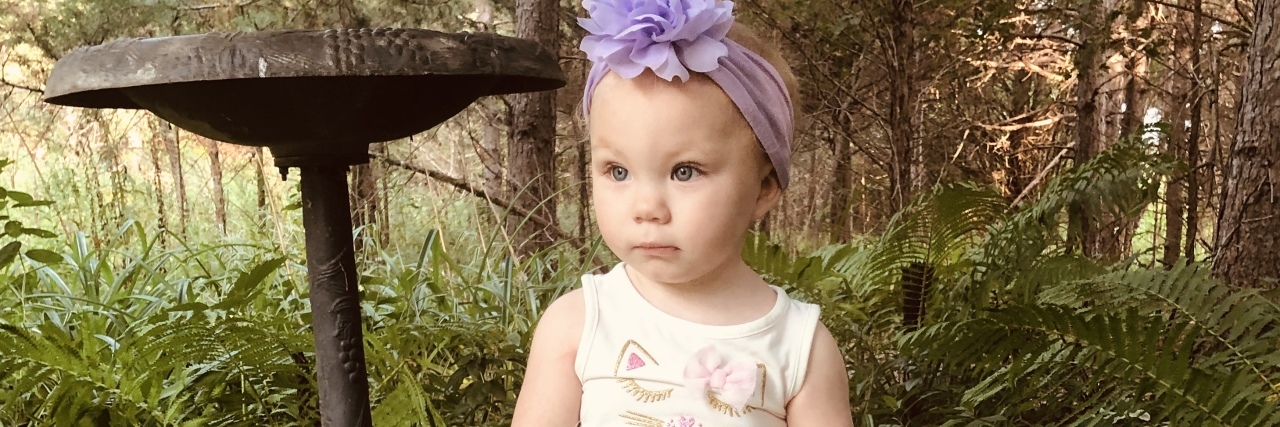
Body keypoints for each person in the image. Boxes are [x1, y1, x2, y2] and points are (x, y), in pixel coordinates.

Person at [512, 0, 854, 426]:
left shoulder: (800, 348)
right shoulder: (579, 324)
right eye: (618, 171)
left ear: (764, 187)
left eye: (684, 171)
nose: (647, 208)